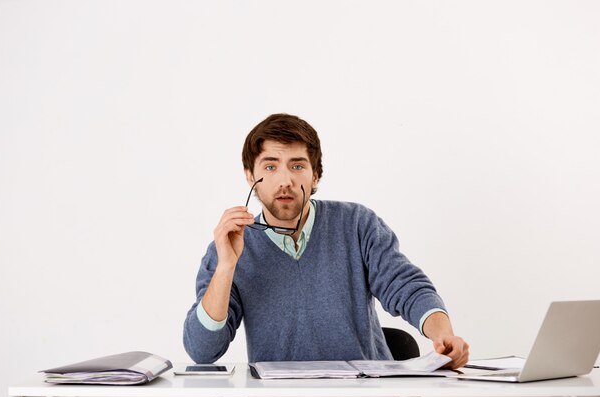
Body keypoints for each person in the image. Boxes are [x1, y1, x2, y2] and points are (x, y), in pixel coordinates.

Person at [183, 113, 469, 368]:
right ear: (250, 176)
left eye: (297, 166)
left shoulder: (357, 224)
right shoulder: (229, 247)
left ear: (315, 175)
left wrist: (443, 335)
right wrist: (225, 268)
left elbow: (406, 286)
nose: (285, 181)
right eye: (270, 167)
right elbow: (202, 351)